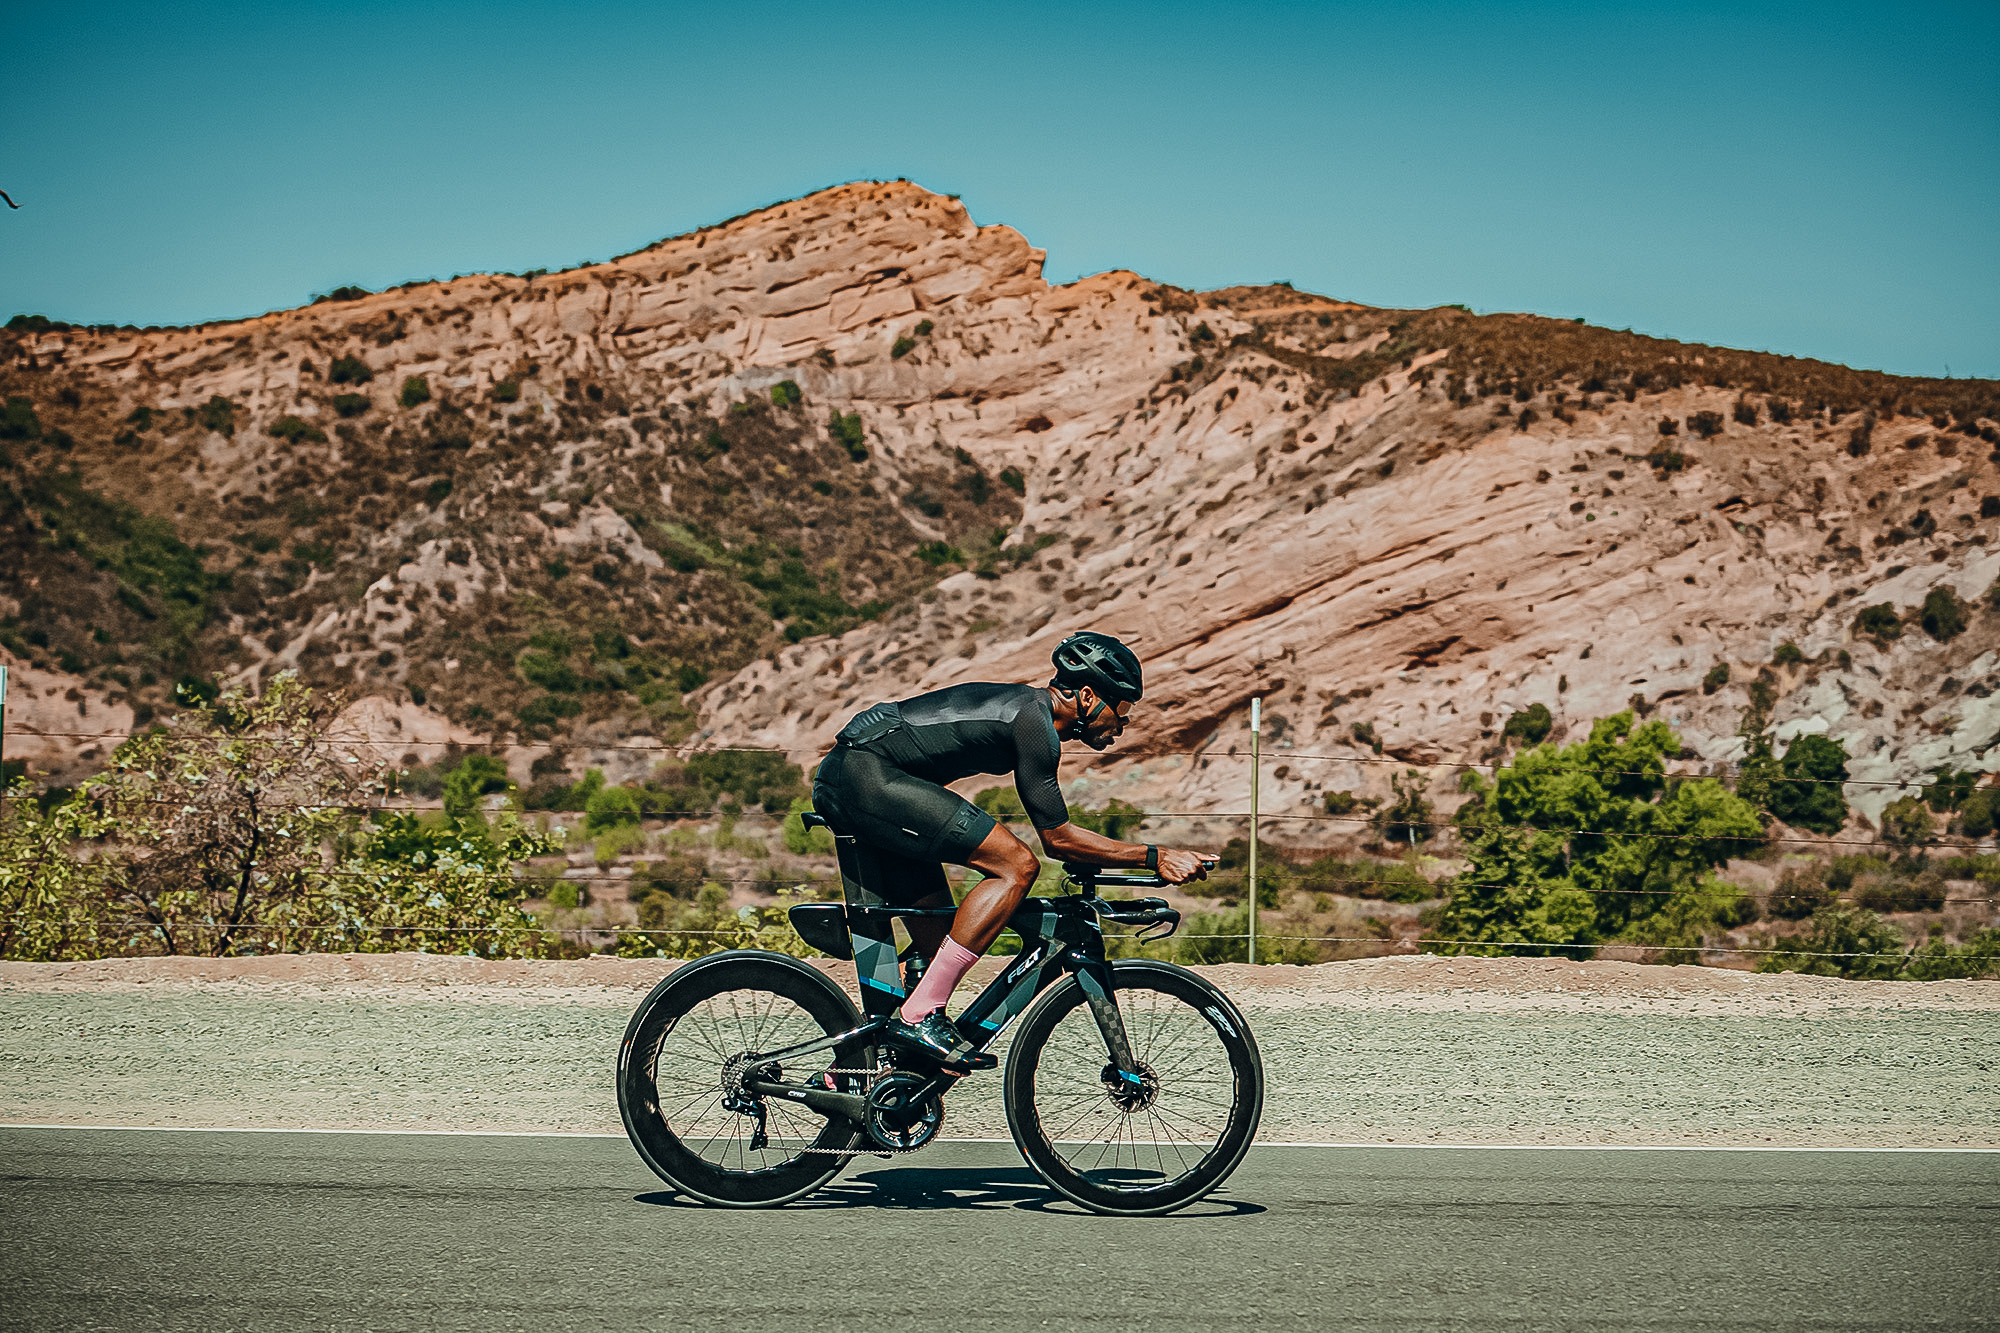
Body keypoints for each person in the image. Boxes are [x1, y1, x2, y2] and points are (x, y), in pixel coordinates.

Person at [811, 630, 1218, 1069]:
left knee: (937, 952)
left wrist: (1136, 861)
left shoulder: (1032, 715)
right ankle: (919, 1016)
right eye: (1120, 708)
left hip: (866, 777)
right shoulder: (1033, 722)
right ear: (1086, 696)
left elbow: (1067, 845)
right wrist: (1154, 856)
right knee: (1016, 865)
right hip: (865, 776)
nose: (1122, 723)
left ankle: (863, 1071)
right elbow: (1057, 840)